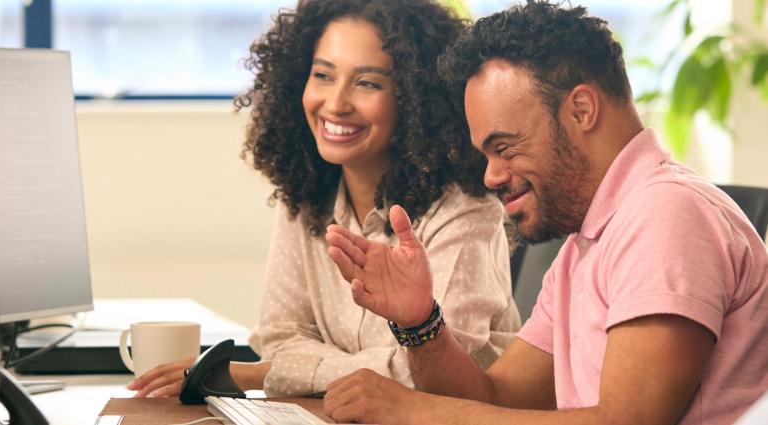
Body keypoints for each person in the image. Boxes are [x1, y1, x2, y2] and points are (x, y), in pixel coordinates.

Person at [322, 1, 768, 424]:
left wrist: (418, 412)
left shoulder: (665, 213)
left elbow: (625, 422)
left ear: (582, 110)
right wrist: (420, 322)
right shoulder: (588, 240)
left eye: (505, 147)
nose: (491, 177)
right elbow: (494, 399)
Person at [127, 0, 520, 399]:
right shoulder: (306, 195)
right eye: (323, 76)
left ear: (417, 98)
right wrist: (292, 369)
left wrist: (261, 374)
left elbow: (428, 372)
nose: (335, 104)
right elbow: (280, 337)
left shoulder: (465, 212)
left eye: (367, 83)